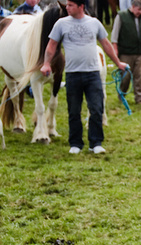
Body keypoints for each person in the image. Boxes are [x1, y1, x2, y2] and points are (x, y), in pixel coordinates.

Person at [40, 0, 127, 155]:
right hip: (73, 74)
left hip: (93, 73)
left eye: (70, 5)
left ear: (81, 6)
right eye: (67, 5)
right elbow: (52, 45)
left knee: (96, 108)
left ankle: (96, 143)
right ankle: (75, 143)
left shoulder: (94, 23)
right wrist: (46, 63)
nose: (67, 7)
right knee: (74, 110)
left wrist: (118, 63)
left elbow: (106, 44)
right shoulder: (61, 24)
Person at [111, 0, 141, 105]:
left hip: (139, 52)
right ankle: (122, 95)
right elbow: (115, 34)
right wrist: (115, 49)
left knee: (138, 76)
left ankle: (138, 98)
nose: (140, 12)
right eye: (139, 9)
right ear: (133, 6)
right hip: (125, 52)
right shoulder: (121, 16)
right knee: (125, 77)